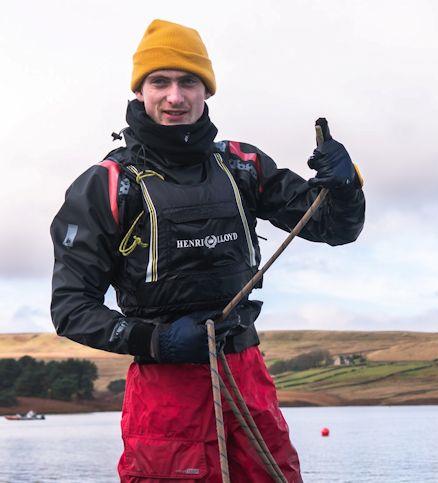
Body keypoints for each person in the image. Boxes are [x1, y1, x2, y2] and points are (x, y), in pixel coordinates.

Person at [50, 19, 365, 482]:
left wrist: (345, 186)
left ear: (206, 92)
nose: (175, 96)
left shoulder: (242, 165)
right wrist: (156, 341)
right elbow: (70, 309)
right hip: (164, 393)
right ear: (141, 91)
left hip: (246, 374)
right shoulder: (107, 185)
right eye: (160, 82)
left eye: (188, 82)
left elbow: (336, 227)